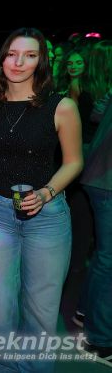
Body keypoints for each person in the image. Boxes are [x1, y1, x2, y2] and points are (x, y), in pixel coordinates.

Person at [0, 28, 82, 373]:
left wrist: (46, 192)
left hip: (47, 215)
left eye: (30, 55)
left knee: (40, 307)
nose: (19, 62)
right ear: (2, 59)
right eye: (12, 54)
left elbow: (74, 162)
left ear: (41, 62)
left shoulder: (61, 106)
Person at [77, 100, 112, 366]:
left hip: (99, 173)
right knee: (108, 259)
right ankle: (99, 340)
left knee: (103, 256)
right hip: (107, 180)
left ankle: (85, 312)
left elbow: (97, 112)